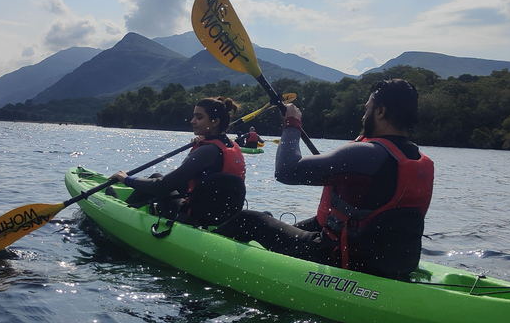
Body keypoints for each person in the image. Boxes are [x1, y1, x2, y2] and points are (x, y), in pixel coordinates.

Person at [214, 79, 434, 279]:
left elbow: (286, 171)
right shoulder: (420, 160)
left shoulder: (366, 154)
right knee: (279, 222)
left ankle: (203, 245)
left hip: (340, 259)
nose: (363, 114)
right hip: (391, 263)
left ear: (380, 112)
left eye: (367, 108)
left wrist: (291, 124)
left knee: (250, 220)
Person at [110, 96, 247, 227]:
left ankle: (117, 213)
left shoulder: (207, 151)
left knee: (156, 180)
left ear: (215, 122)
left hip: (194, 217)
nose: (192, 121)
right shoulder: (232, 146)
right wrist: (200, 144)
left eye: (199, 117)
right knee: (157, 176)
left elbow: (163, 186)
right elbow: (191, 180)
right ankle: (140, 209)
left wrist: (127, 179)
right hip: (221, 217)